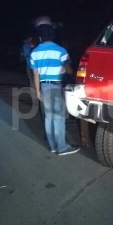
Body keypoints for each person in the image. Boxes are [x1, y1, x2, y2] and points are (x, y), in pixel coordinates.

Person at [30, 18, 80, 156]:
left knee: (49, 117)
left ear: (40, 37)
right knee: (58, 118)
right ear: (53, 35)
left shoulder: (34, 53)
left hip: (44, 87)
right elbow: (69, 70)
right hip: (56, 86)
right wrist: (73, 77)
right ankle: (62, 147)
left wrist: (38, 90)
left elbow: (35, 74)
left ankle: (53, 146)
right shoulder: (60, 51)